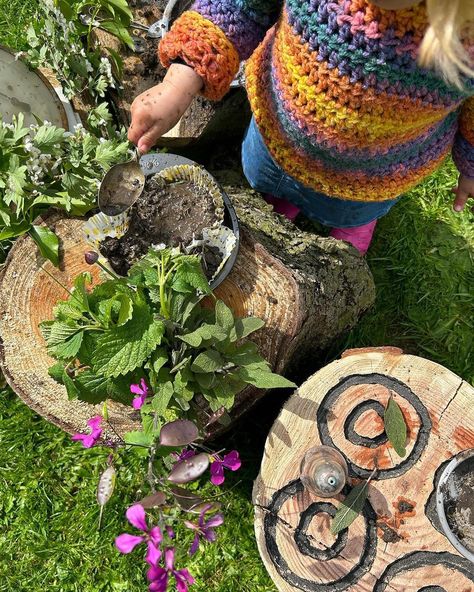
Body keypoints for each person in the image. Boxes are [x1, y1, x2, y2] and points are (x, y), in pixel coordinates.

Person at [128, 0, 474, 254]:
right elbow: (240, 8)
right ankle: (281, 203)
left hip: (372, 177)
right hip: (276, 134)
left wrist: (470, 167)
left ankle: (352, 227)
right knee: (268, 191)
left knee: (349, 215)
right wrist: (178, 84)